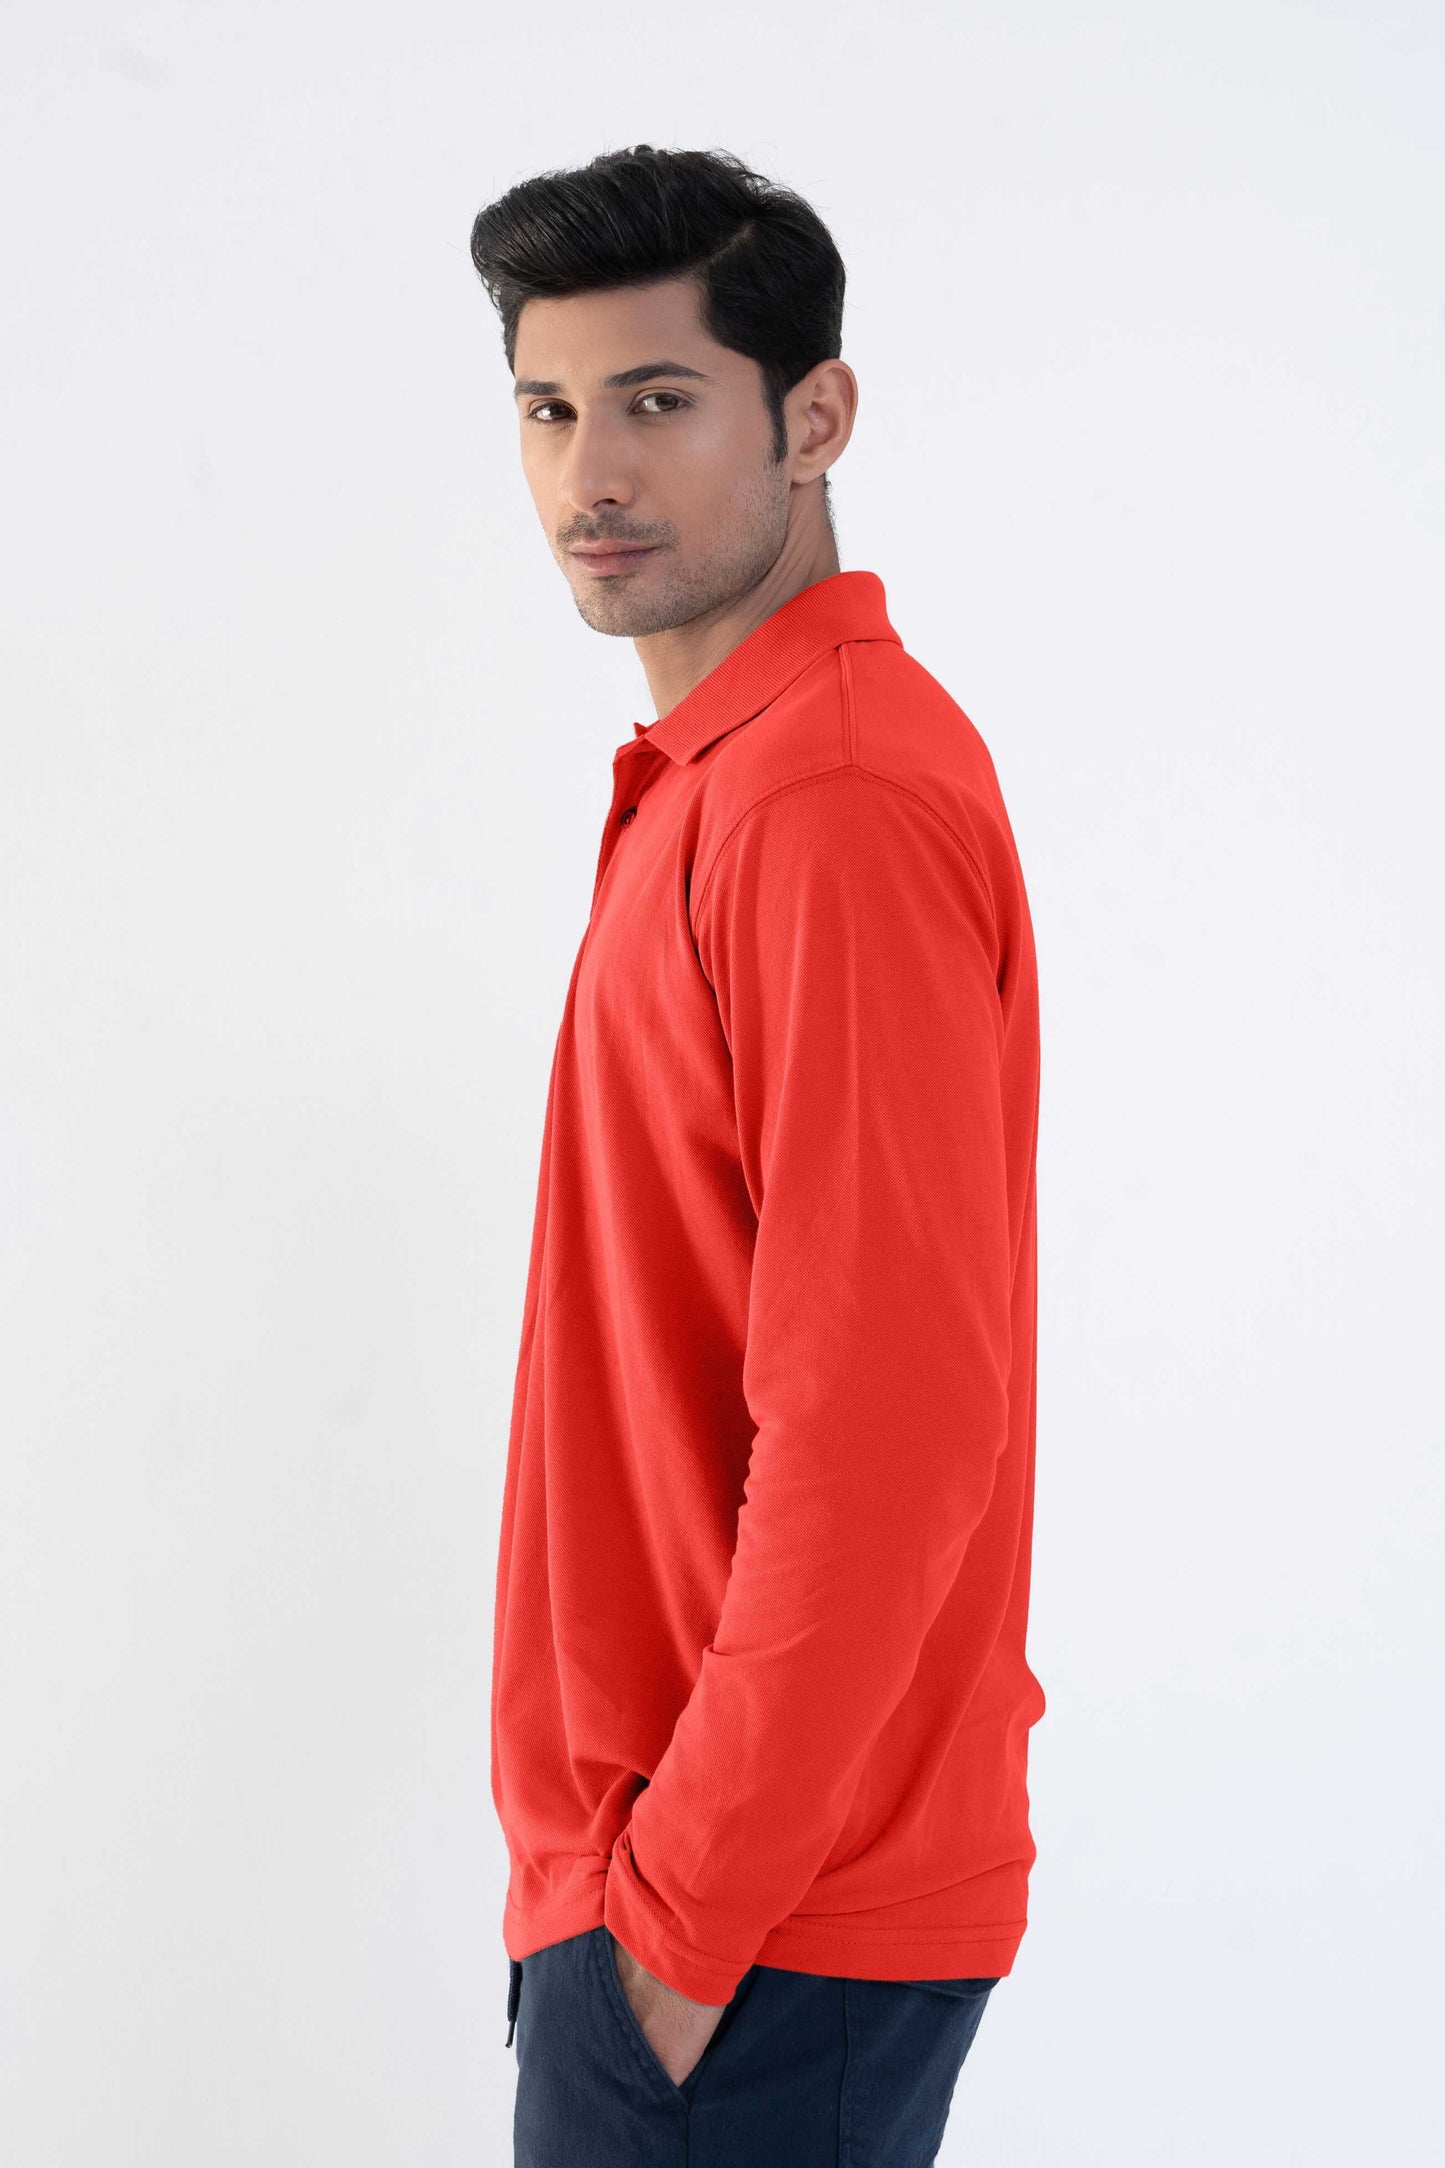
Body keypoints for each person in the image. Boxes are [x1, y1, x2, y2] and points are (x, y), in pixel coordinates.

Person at [469, 143, 1046, 2165]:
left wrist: (677, 1922)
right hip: (693, 1891)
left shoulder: (827, 800)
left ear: (815, 418)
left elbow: (890, 1418)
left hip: (752, 1917)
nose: (591, 474)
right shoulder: (726, 779)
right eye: (549, 410)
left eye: (657, 400)